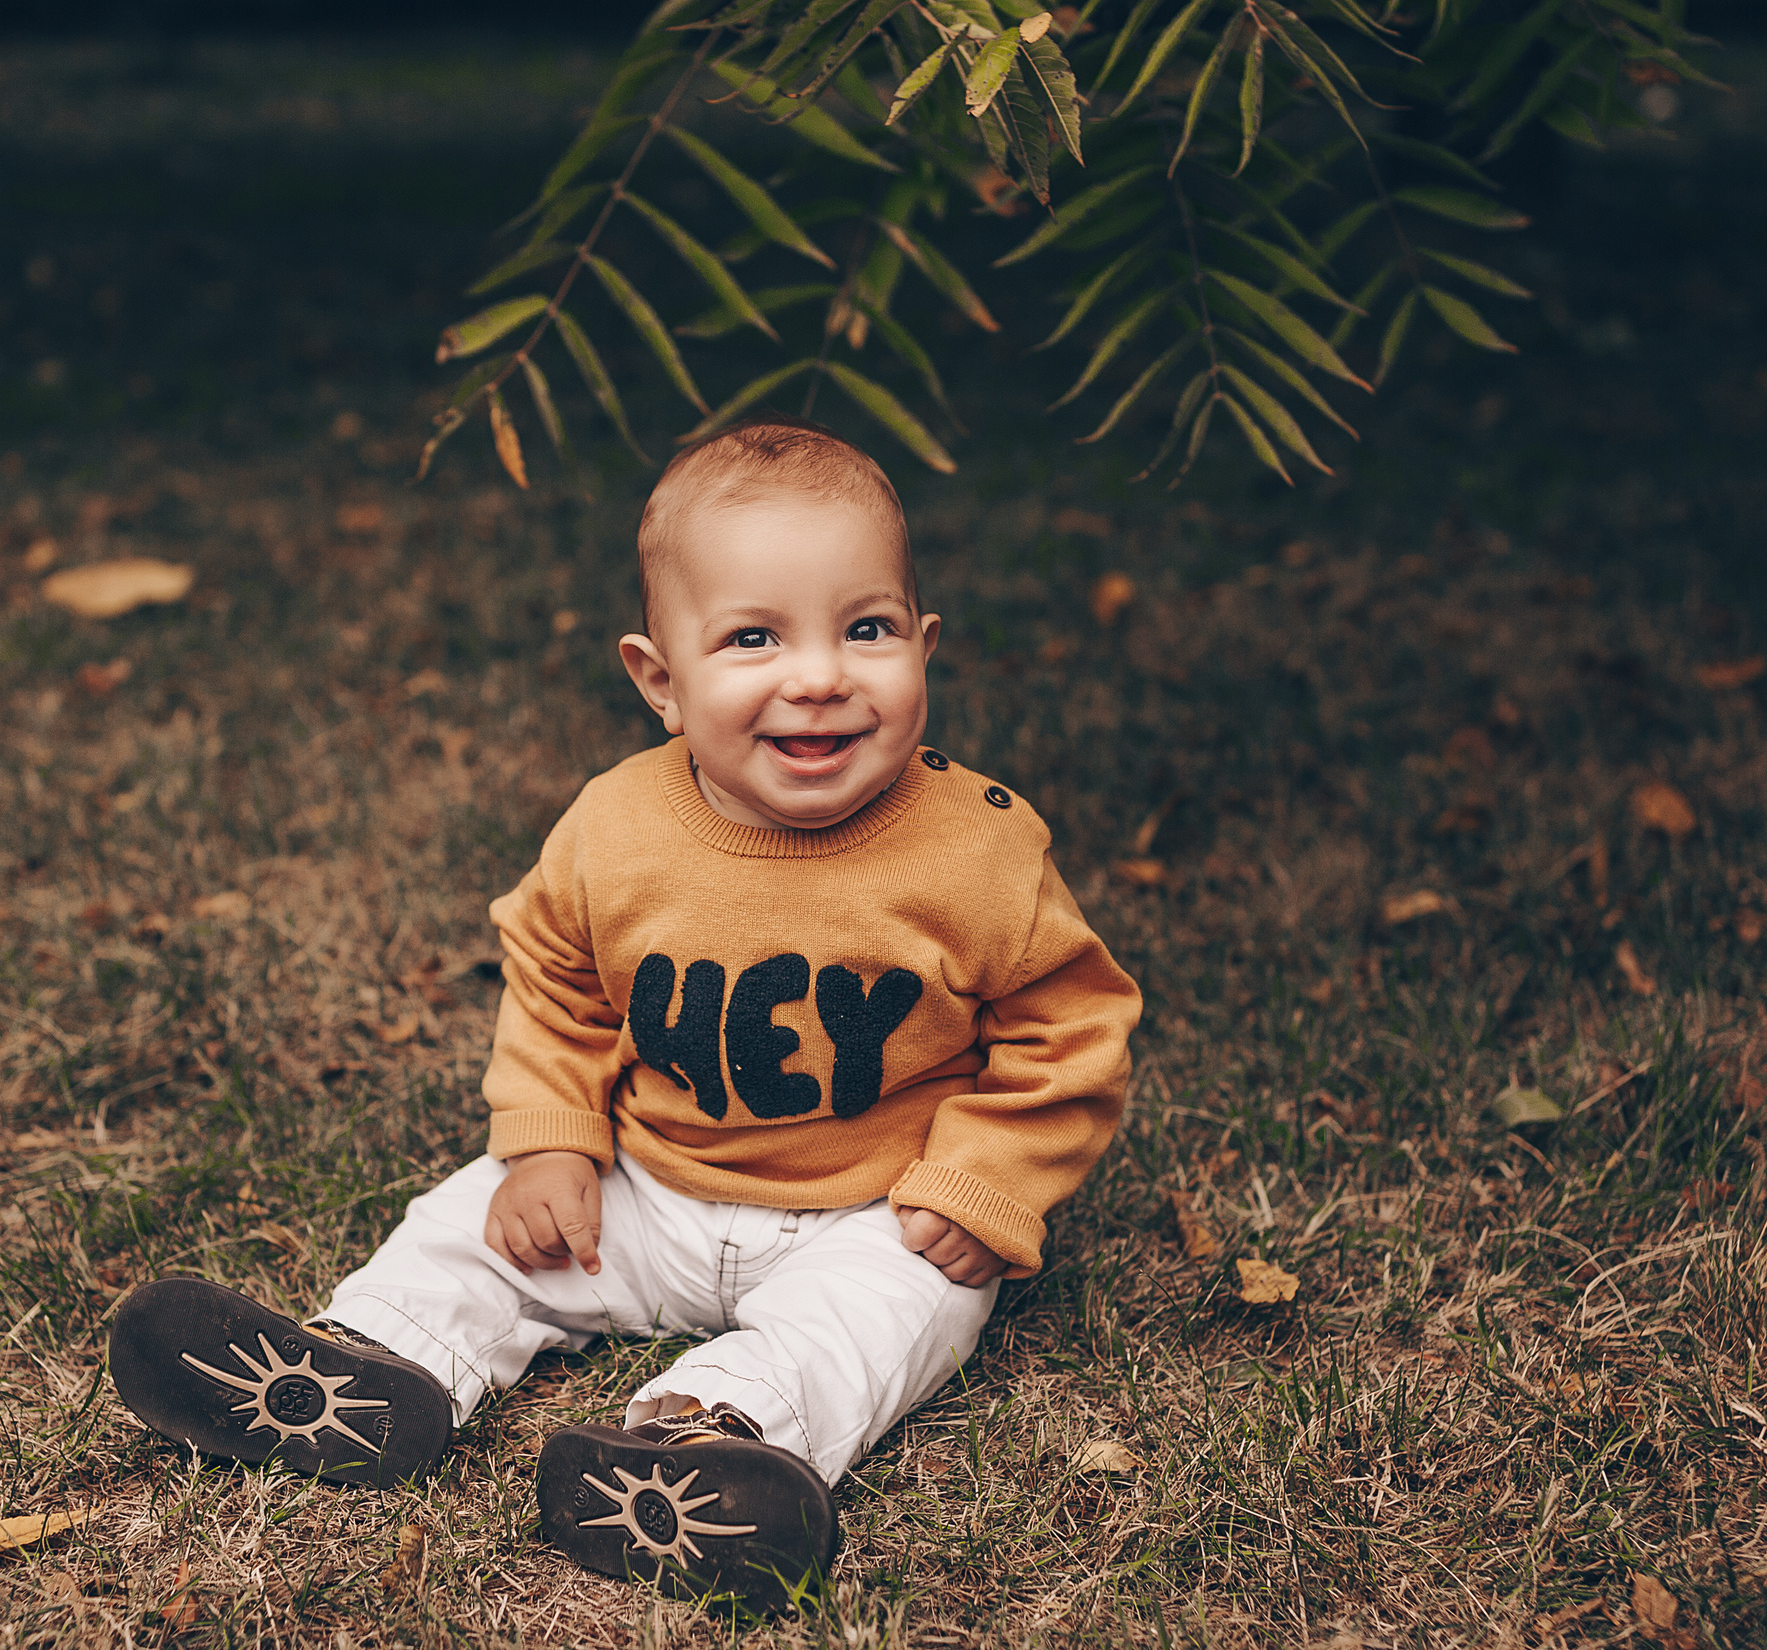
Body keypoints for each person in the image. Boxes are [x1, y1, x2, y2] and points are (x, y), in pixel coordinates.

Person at [108, 417, 1140, 1611]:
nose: (818, 674)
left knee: (895, 1310)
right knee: (468, 1223)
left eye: (865, 630)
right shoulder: (614, 829)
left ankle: (711, 1445)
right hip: (644, 1191)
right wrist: (550, 1137)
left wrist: (983, 1184)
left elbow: (1069, 1030)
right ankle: (370, 1364)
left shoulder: (979, 852)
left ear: (922, 644)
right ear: (661, 680)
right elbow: (555, 975)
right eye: (753, 637)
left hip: (871, 1203)